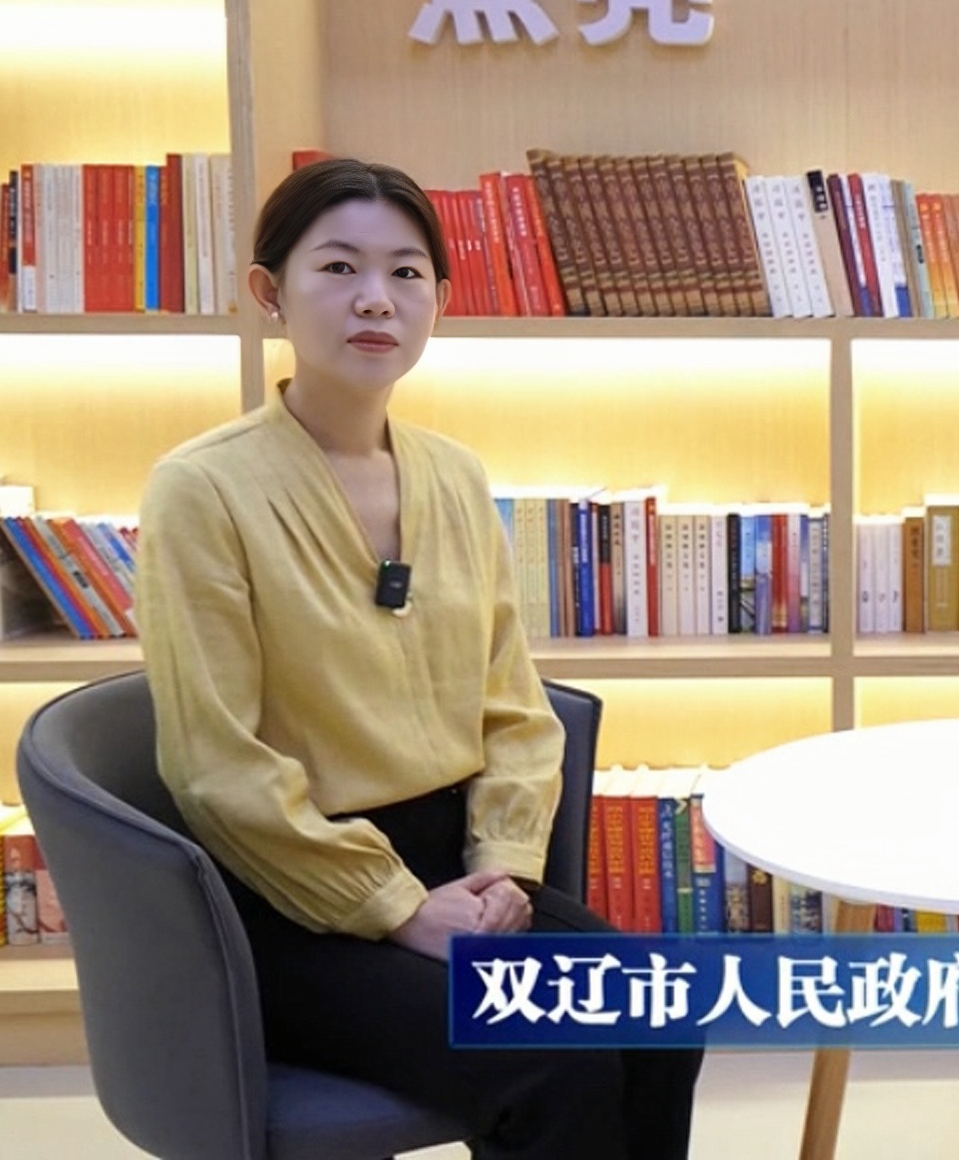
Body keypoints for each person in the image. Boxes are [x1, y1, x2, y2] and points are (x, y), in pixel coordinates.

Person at [137, 158, 702, 1158]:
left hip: (460, 862)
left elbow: (513, 709)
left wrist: (502, 866)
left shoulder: (455, 476)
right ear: (269, 292)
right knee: (553, 1059)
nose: (375, 299)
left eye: (406, 273)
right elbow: (214, 763)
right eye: (339, 267)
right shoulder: (201, 490)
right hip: (293, 895)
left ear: (439, 298)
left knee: (662, 1010)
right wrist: (394, 907)